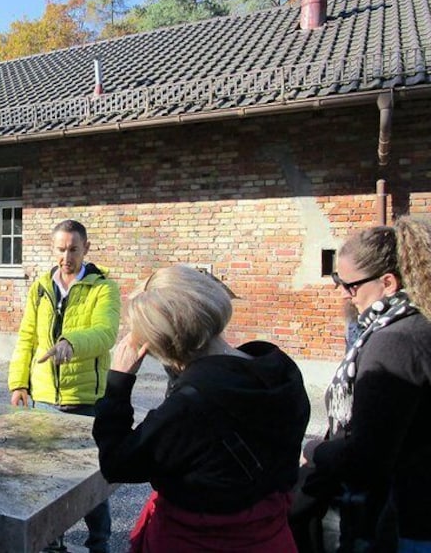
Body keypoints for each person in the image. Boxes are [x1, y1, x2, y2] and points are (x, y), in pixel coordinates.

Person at [93, 265, 310, 552]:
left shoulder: (192, 405)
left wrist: (119, 382)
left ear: (161, 345)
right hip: (271, 537)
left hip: (199, 541)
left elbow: (118, 463)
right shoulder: (278, 369)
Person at [299, 217, 431, 552]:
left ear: (388, 282)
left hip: (400, 520)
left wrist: (312, 450)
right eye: (337, 281)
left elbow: (367, 460)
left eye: (351, 286)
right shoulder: (417, 322)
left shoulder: (395, 342)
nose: (342, 293)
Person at [7, 219, 120, 553]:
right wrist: (18, 382)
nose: (66, 256)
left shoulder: (103, 287)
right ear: (52, 248)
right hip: (43, 399)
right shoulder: (41, 286)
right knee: (46, 482)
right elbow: (26, 337)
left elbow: (105, 333)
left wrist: (72, 342)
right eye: (60, 249)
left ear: (86, 248)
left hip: (85, 399)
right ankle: (52, 543)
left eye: (73, 249)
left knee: (90, 484)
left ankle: (98, 543)